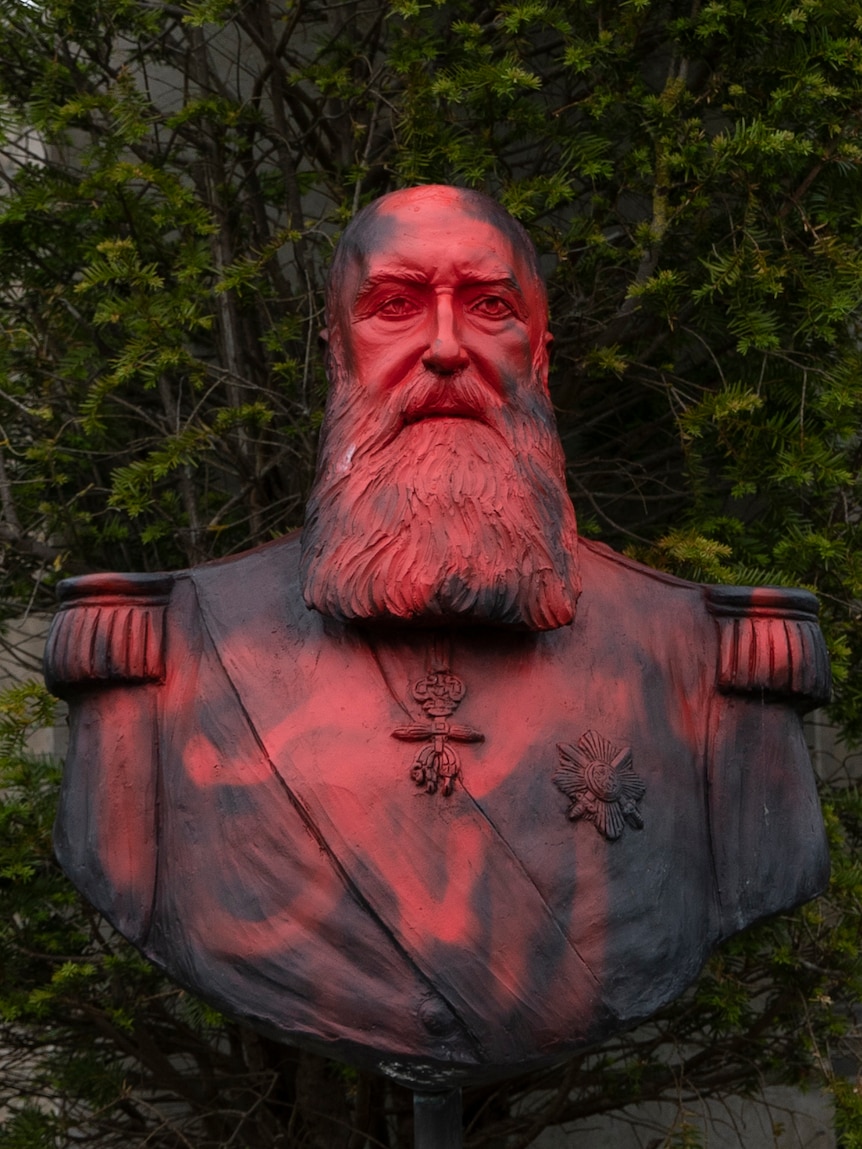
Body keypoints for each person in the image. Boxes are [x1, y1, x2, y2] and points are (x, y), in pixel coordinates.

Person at [44, 186, 830, 1088]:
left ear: (538, 353)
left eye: (490, 306)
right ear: (339, 350)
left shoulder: (707, 662)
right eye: (395, 306)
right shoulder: (167, 656)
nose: (448, 346)